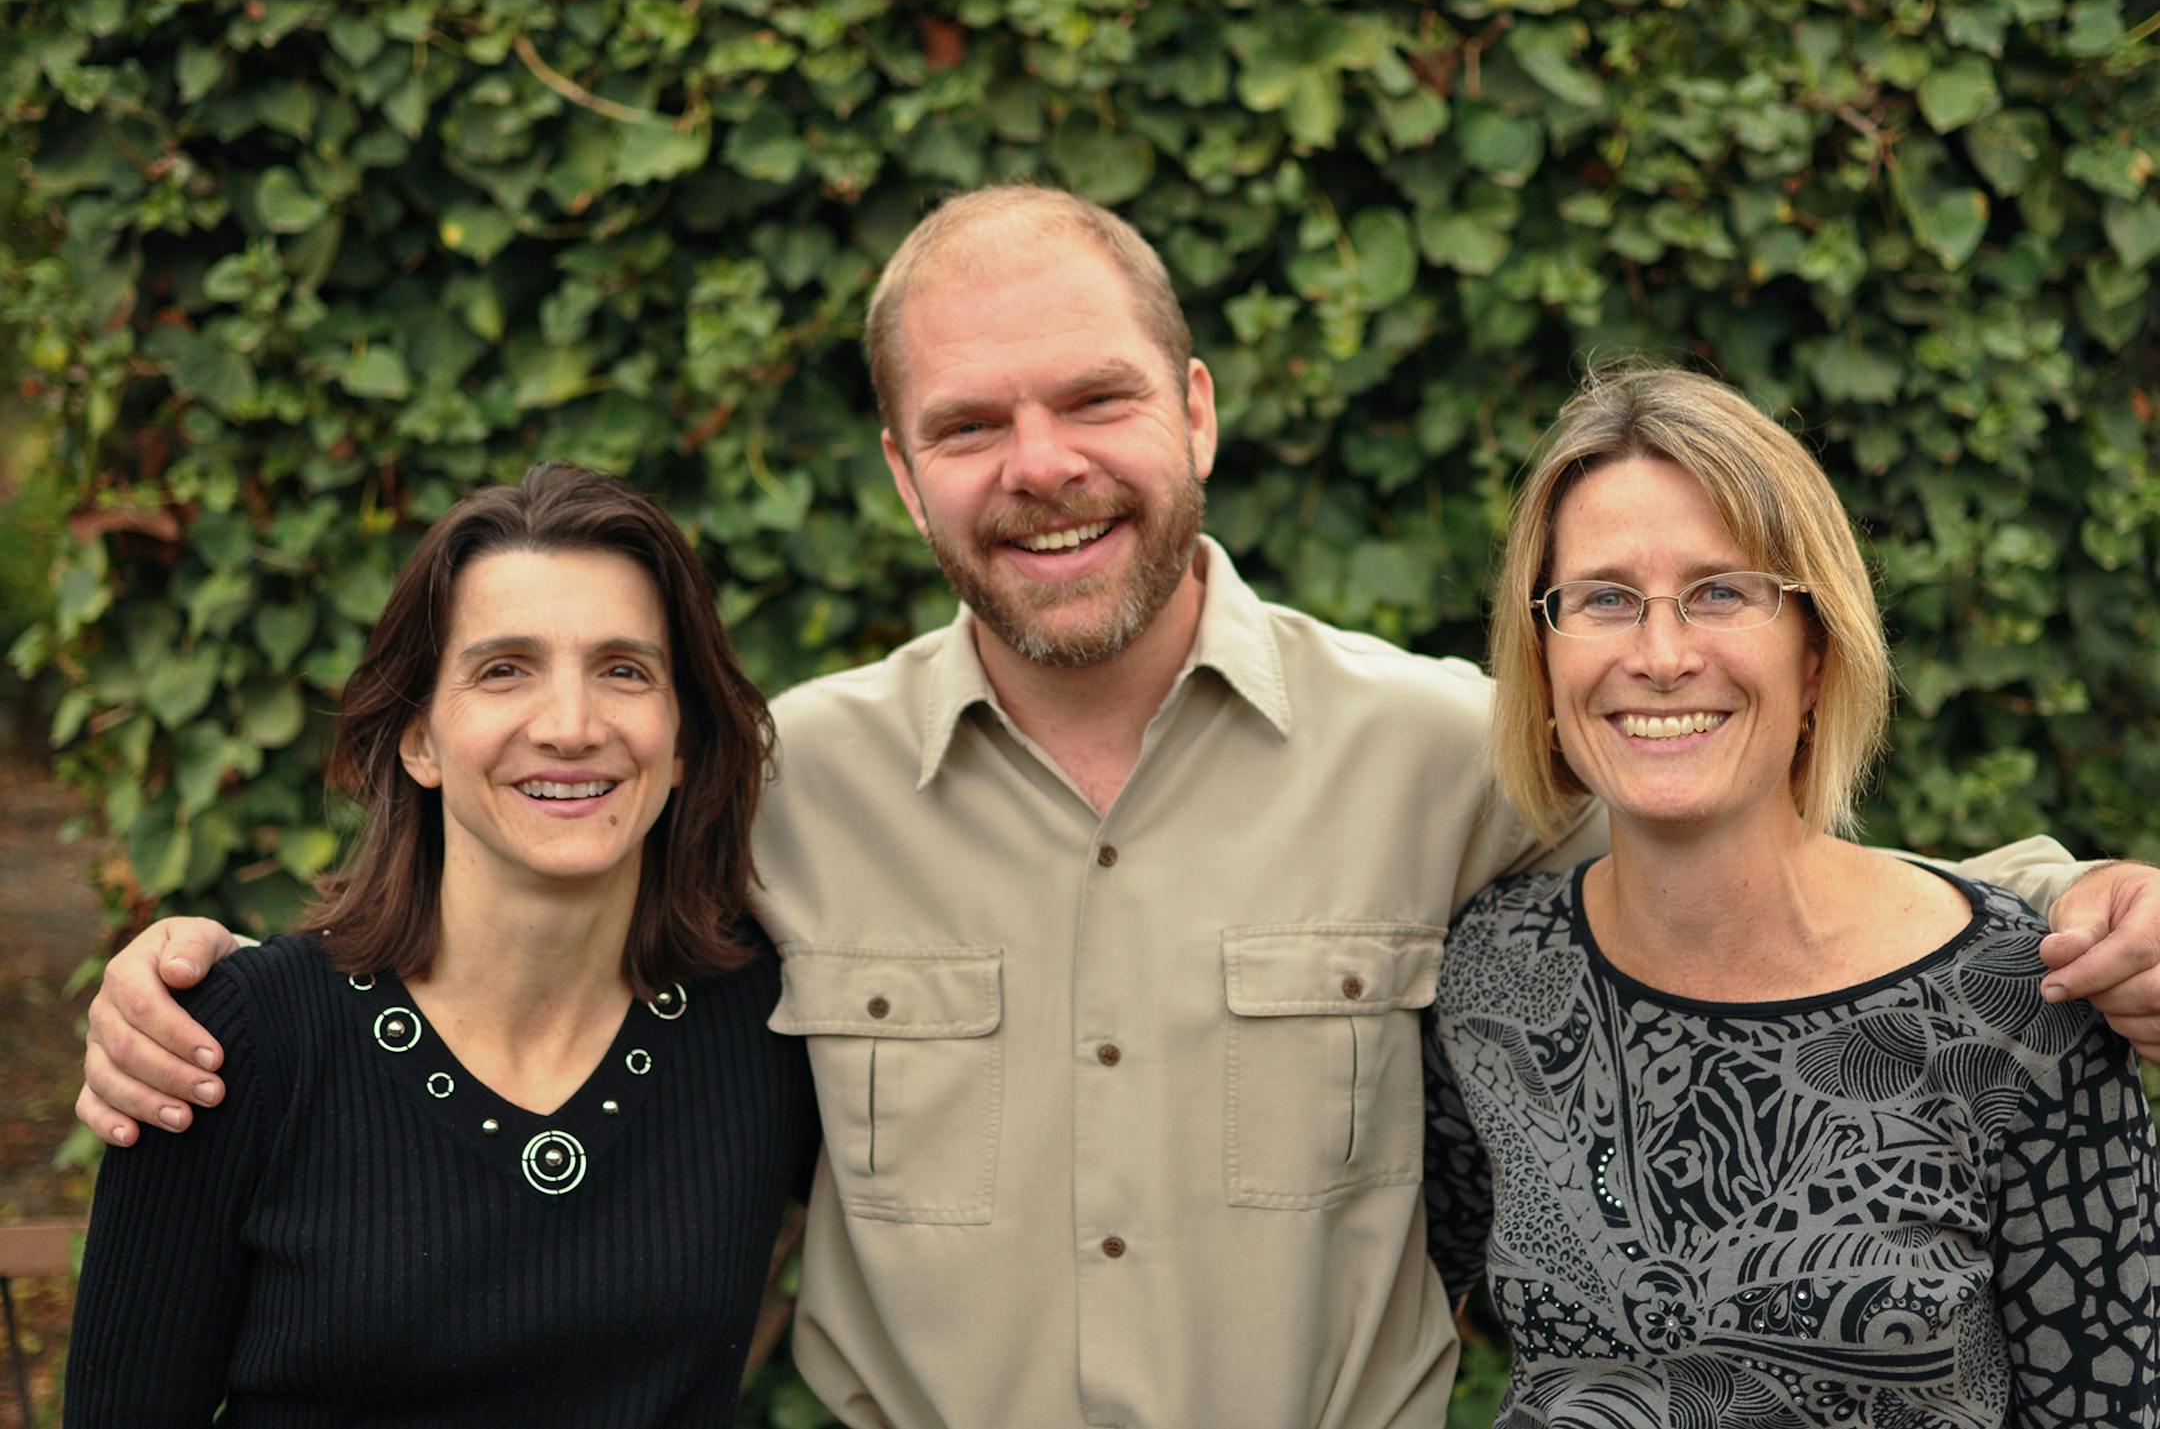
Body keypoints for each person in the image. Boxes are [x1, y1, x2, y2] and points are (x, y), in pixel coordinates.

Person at [75, 189, 2160, 1429]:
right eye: (969, 424)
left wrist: (2082, 906)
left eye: (1089, 398)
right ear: (905, 476)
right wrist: (195, 978)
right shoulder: (778, 790)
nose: (1039, 463)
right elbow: (503, 885)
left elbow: (1757, 872)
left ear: (1195, 413)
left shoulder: (1445, 752)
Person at [1423, 367, 2160, 1426]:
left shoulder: (2022, 1006)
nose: (1662, 654)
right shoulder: (1493, 973)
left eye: (1723, 591)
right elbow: (1392, 1308)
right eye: (1603, 598)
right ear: (1542, 658)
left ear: (1815, 653)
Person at [65, 466, 819, 1425]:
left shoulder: (768, 1024)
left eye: (625, 669)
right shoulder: (229, 1043)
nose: (571, 726)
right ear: (419, 736)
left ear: (681, 743)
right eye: (504, 669)